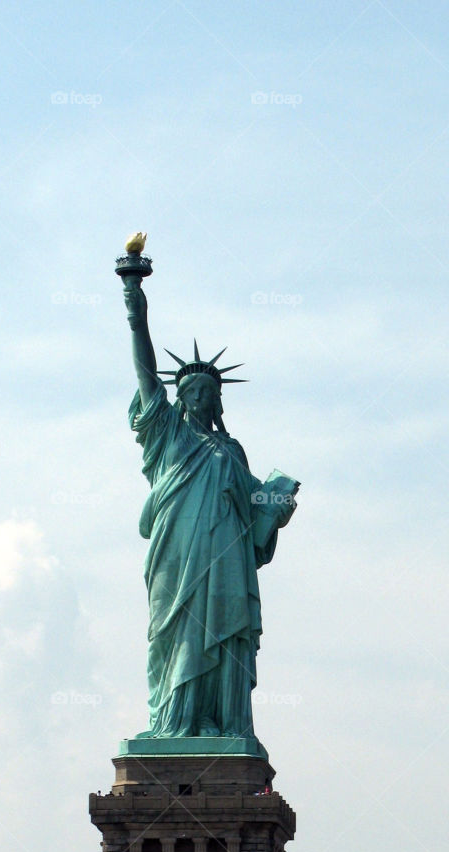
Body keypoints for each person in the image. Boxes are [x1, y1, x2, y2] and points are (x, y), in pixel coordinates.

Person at [120, 267, 298, 741]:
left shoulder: (231, 452)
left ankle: (219, 723)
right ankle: (175, 724)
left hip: (226, 560)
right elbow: (144, 372)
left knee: (224, 634)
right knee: (175, 634)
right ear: (178, 398)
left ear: (218, 401)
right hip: (177, 558)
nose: (199, 398)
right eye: (191, 392)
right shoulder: (167, 436)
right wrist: (136, 306)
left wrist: (277, 503)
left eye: (208, 394)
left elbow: (255, 502)